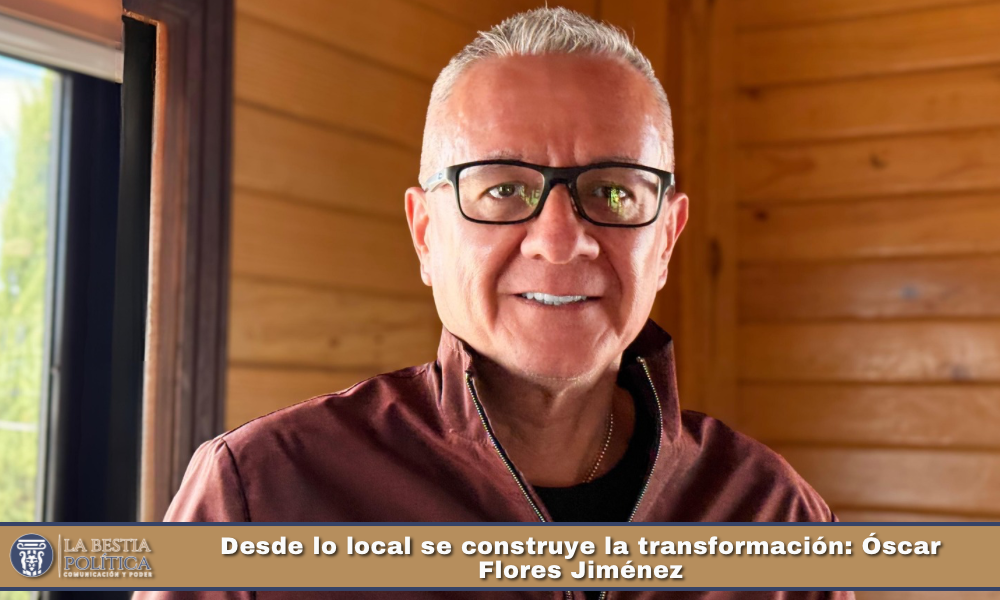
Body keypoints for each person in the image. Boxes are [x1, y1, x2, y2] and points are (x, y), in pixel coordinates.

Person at [142, 8, 852, 600]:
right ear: (426, 234)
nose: (561, 243)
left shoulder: (776, 517)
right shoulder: (257, 496)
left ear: (665, 239)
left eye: (613, 191)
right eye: (504, 189)